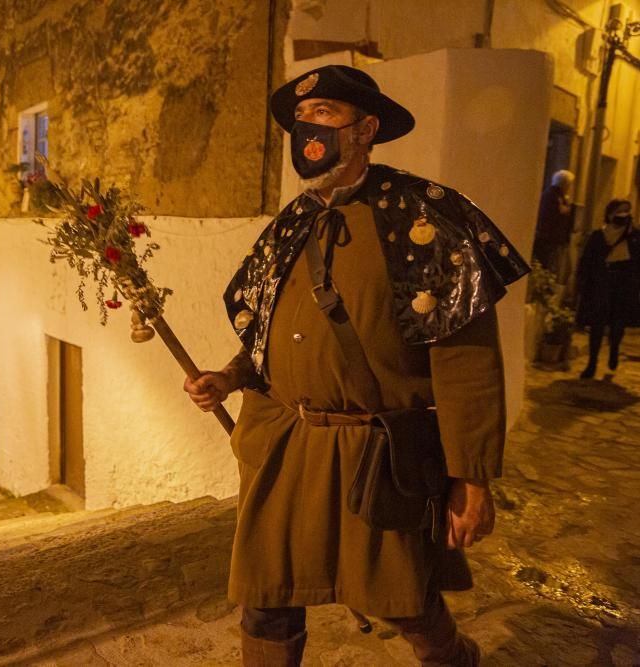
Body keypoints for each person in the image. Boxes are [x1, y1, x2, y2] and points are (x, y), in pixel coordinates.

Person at [182, 65, 529, 666]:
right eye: (300, 117)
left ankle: (455, 660)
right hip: (286, 443)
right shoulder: (287, 226)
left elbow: (466, 361)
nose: (306, 127)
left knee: (402, 599)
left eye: (324, 113)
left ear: (366, 128)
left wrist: (470, 478)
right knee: (266, 597)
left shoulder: (425, 218)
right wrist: (232, 376)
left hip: (376, 449)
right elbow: (268, 330)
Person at [575, 199, 640, 379]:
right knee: (597, 323)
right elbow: (588, 261)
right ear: (610, 213)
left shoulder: (634, 236)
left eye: (626, 211)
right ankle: (592, 362)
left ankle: (614, 350)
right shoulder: (599, 235)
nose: (623, 215)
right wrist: (583, 282)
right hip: (602, 282)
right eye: (619, 211)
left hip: (624, 284)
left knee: (618, 322)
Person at [532, 170, 576, 277]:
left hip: (551, 240)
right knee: (550, 270)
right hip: (551, 241)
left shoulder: (553, 195)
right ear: (565, 184)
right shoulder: (553, 197)